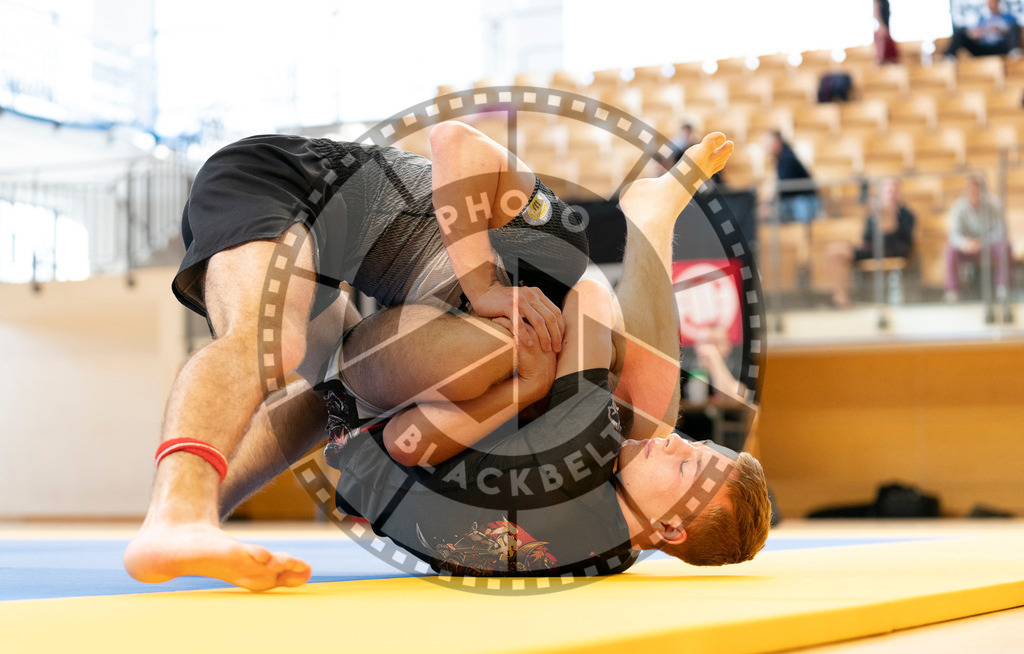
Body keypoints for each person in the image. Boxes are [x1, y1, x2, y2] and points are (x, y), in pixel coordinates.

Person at [127, 133, 772, 587]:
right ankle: (179, 514)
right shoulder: (546, 244)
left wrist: (521, 380)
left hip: (387, 359)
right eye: (691, 448)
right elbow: (454, 141)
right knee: (274, 344)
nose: (672, 443)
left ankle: (200, 509)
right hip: (282, 188)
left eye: (686, 461)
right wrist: (487, 288)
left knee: (340, 399)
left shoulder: (591, 500)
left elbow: (416, 439)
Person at [824, 177, 915, 308]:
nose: (890, 194)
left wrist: (889, 216)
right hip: (872, 250)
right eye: (887, 191)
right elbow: (866, 239)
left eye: (893, 190)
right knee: (835, 251)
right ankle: (841, 298)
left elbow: (904, 242)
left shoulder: (907, 215)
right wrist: (877, 216)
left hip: (893, 250)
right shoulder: (873, 214)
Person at [945, 175, 1011, 302]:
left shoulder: (994, 205)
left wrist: (983, 242)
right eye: (970, 190)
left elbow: (1001, 230)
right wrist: (965, 243)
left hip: (989, 243)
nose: (974, 194)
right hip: (968, 246)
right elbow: (953, 235)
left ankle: (1002, 288)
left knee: (1005, 246)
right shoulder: (958, 208)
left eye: (977, 190)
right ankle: (953, 291)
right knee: (950, 250)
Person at [762, 131, 818, 224]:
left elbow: (783, 187)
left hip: (803, 201)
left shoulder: (787, 158)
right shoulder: (782, 157)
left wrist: (770, 207)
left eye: (769, 144)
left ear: (777, 142)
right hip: (796, 201)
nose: (766, 147)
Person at [945, 0, 1023, 59]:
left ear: (998, 3)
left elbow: (1014, 31)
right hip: (984, 48)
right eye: (989, 3)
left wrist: (1001, 30)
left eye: (993, 3)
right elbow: (973, 35)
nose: (991, 5)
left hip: (1001, 47)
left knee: (1015, 27)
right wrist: (980, 33)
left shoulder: (1008, 17)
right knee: (960, 33)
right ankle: (949, 57)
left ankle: (1014, 52)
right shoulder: (982, 19)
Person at [874, 0, 900, 64]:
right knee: (882, 56)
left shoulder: (885, 1)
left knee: (892, 57)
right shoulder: (878, 1)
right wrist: (881, 26)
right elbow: (875, 13)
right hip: (882, 29)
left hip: (886, 29)